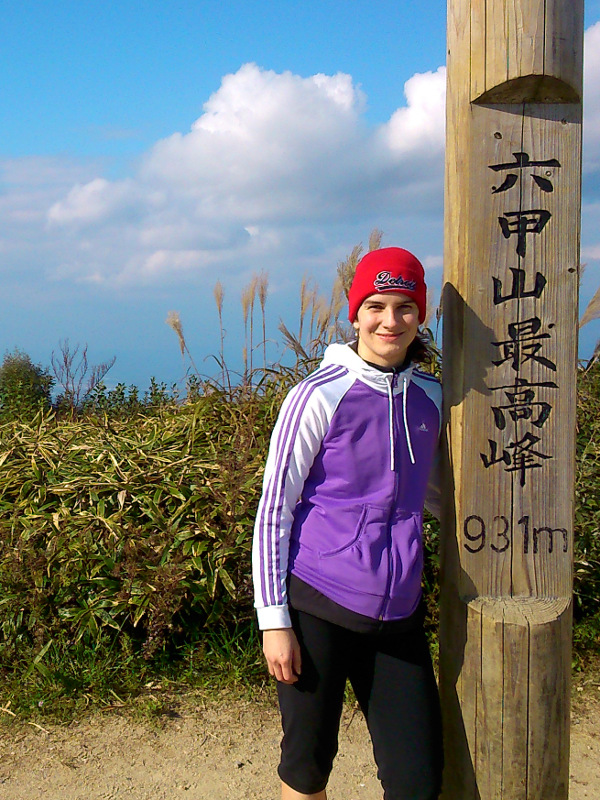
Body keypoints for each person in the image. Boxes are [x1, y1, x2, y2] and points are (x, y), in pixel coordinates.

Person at [252, 247, 443, 800]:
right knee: (307, 769)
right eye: (376, 305)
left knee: (418, 780)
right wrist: (274, 621)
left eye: (405, 306)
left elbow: (434, 494)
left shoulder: (432, 397)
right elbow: (274, 511)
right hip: (316, 604)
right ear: (355, 313)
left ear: (420, 314)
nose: (390, 320)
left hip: (399, 611)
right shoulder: (318, 394)